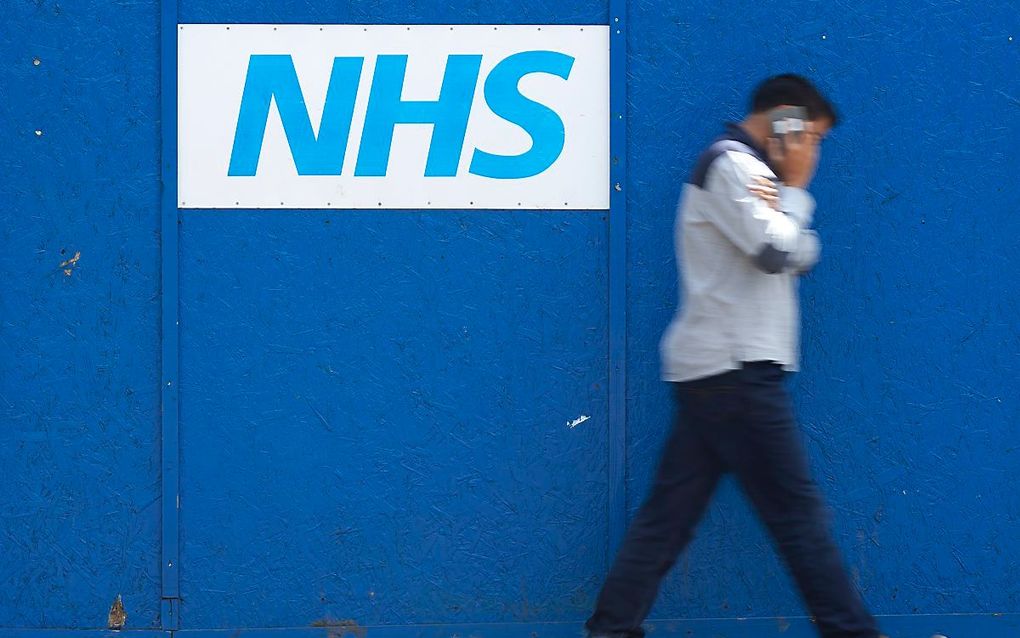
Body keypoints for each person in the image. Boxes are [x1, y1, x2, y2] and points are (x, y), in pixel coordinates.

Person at [585, 75, 883, 638]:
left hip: (720, 375)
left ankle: (609, 630)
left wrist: (795, 229)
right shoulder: (733, 166)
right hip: (736, 375)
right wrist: (795, 193)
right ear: (785, 122)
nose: (812, 153)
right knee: (798, 520)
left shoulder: (746, 172)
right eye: (812, 138)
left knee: (666, 522)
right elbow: (777, 250)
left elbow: (794, 249)